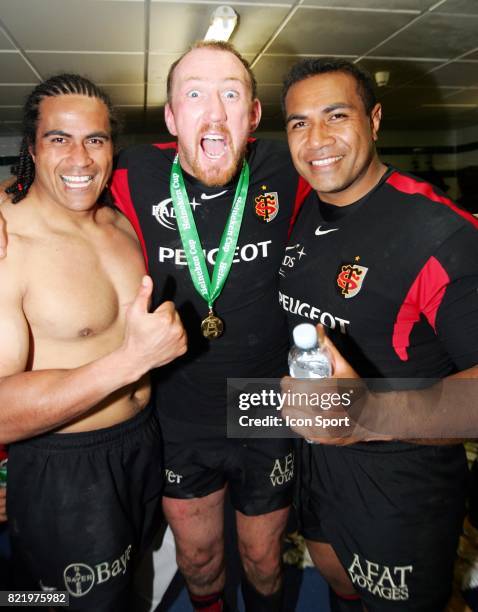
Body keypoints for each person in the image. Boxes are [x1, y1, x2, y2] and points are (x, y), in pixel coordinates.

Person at [110, 41, 310, 612]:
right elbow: (55, 183)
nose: (214, 112)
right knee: (199, 561)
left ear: (253, 115)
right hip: (178, 411)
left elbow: (369, 187)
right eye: (194, 94)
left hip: (264, 403)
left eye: (231, 93)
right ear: (172, 117)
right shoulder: (132, 171)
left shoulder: (287, 166)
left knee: (265, 560)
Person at [279, 57, 478, 612]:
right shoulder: (303, 211)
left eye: (335, 115)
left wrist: (365, 416)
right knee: (337, 578)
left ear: (375, 120)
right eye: (299, 123)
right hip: (317, 455)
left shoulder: (440, 235)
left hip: (400, 473)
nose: (316, 139)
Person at [0, 74, 186, 611]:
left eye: (96, 140)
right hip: (66, 467)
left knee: (130, 590)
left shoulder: (121, 222)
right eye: (59, 138)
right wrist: (131, 362)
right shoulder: (11, 246)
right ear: (31, 148)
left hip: (141, 445)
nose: (80, 158)